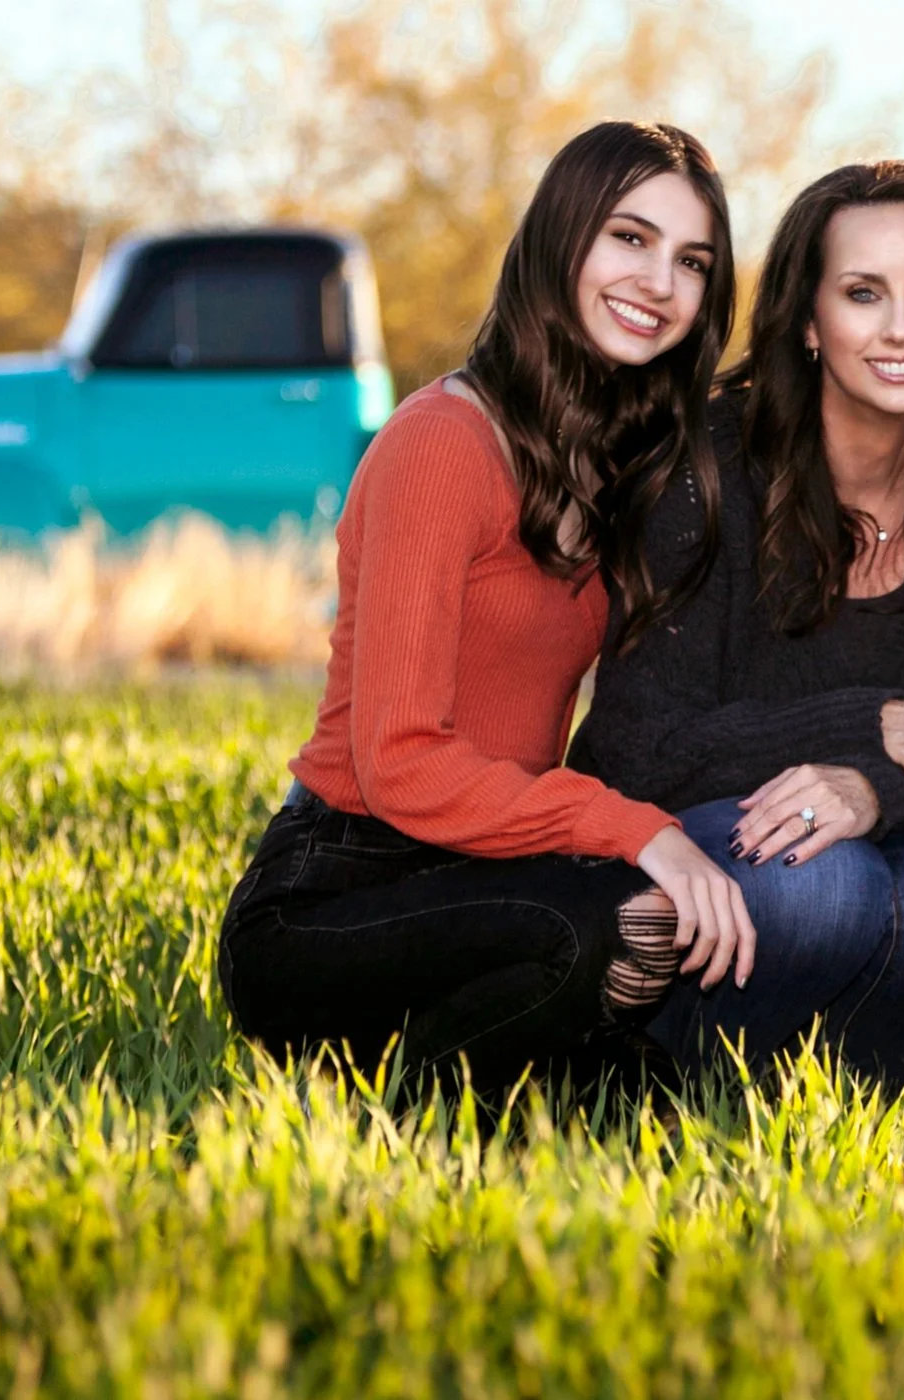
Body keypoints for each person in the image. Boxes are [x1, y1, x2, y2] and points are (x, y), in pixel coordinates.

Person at [215, 122, 758, 1094]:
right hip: (338, 892)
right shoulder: (443, 442)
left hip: (491, 874)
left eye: (692, 262)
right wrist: (640, 829)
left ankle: (518, 1077)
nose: (659, 281)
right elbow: (399, 762)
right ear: (560, 238)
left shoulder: (619, 462)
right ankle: (401, 1096)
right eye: (630, 238)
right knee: (619, 922)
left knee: (654, 1055)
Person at [568, 162, 904, 1081]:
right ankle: (668, 1074)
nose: (901, 328)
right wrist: (862, 722)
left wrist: (874, 785)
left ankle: (827, 1094)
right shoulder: (708, 469)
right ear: (807, 320)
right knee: (824, 883)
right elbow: (638, 747)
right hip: (694, 844)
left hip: (900, 824)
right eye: (863, 293)